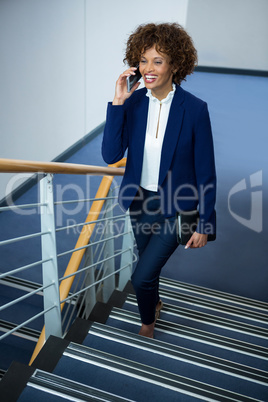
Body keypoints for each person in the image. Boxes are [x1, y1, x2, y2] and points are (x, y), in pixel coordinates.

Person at [102, 22, 216, 339]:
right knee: (147, 269)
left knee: (140, 278)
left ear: (175, 64)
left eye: (158, 60)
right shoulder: (134, 103)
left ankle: (148, 322)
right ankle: (155, 302)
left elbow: (206, 170)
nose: (148, 69)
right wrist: (118, 103)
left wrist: (205, 223)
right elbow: (111, 155)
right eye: (143, 60)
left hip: (178, 207)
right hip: (140, 203)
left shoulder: (194, 109)